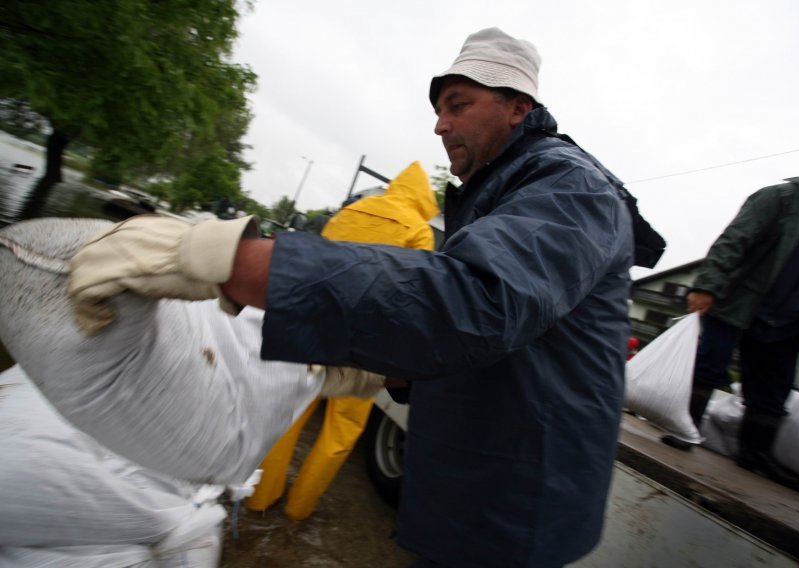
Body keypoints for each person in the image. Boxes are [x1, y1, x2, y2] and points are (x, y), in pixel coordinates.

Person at [69, 28, 634, 567]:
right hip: (478, 477)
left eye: (458, 104)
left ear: (518, 108)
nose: (439, 124)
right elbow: (515, 337)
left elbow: (472, 303)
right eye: (437, 109)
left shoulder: (570, 188)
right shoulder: (497, 195)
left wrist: (225, 259)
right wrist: (392, 376)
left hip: (519, 500)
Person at [245, 161, 439, 520]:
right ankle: (298, 510)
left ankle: (259, 498)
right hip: (365, 346)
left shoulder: (353, 211)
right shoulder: (418, 231)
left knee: (289, 414)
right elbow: (409, 298)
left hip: (313, 328)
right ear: (424, 199)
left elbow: (313, 263)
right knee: (341, 431)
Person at [660, 177, 799, 491]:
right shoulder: (780, 198)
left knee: (773, 389)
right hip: (741, 300)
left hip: (788, 319)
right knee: (710, 366)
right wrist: (707, 285)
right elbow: (734, 240)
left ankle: (755, 454)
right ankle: (685, 429)